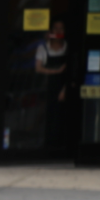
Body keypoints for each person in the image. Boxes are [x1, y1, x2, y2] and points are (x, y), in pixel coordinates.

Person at [34, 19, 70, 149]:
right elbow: (38, 68)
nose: (59, 32)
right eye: (56, 28)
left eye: (62, 28)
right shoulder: (43, 47)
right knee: (47, 118)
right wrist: (56, 71)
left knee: (62, 118)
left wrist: (65, 90)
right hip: (47, 88)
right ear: (51, 31)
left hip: (64, 88)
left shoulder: (68, 47)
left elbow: (72, 72)